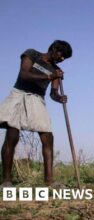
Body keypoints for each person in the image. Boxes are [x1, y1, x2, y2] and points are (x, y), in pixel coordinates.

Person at [0, 40, 72, 187]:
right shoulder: (32, 54)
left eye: (65, 57)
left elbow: (53, 93)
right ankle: (6, 181)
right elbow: (24, 75)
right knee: (12, 136)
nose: (62, 59)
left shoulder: (55, 71)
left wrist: (59, 98)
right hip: (19, 95)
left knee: (47, 137)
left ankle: (49, 181)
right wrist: (49, 76)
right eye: (61, 54)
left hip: (37, 99)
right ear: (54, 48)